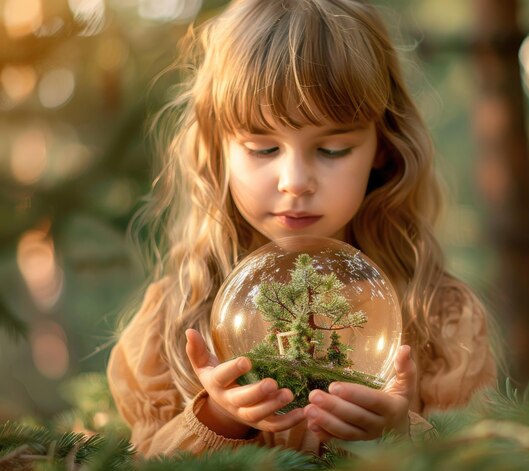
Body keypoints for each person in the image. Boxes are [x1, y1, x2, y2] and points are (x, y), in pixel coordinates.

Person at [107, 0, 498, 457]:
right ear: (218, 150)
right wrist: (219, 418)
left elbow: (483, 458)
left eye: (332, 149)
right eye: (261, 147)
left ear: (384, 148)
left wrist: (400, 436)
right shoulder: (172, 321)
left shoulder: (438, 318)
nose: (294, 182)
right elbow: (145, 461)